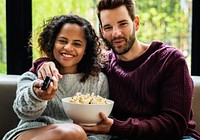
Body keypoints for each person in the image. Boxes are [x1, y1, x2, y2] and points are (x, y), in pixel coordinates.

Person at [28, 0, 200, 139]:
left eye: (123, 24)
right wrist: (43, 63)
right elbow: (66, 58)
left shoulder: (169, 60)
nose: (116, 33)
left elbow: (174, 124)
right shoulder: (103, 62)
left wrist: (116, 127)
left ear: (136, 23)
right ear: (102, 30)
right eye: (108, 27)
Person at [2, 14, 111, 140]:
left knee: (75, 132)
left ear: (86, 49)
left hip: (79, 137)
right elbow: (23, 112)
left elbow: (103, 130)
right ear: (52, 43)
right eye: (62, 41)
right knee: (73, 132)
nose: (68, 48)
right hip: (30, 133)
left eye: (77, 44)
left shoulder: (98, 81)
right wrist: (37, 96)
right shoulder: (34, 76)